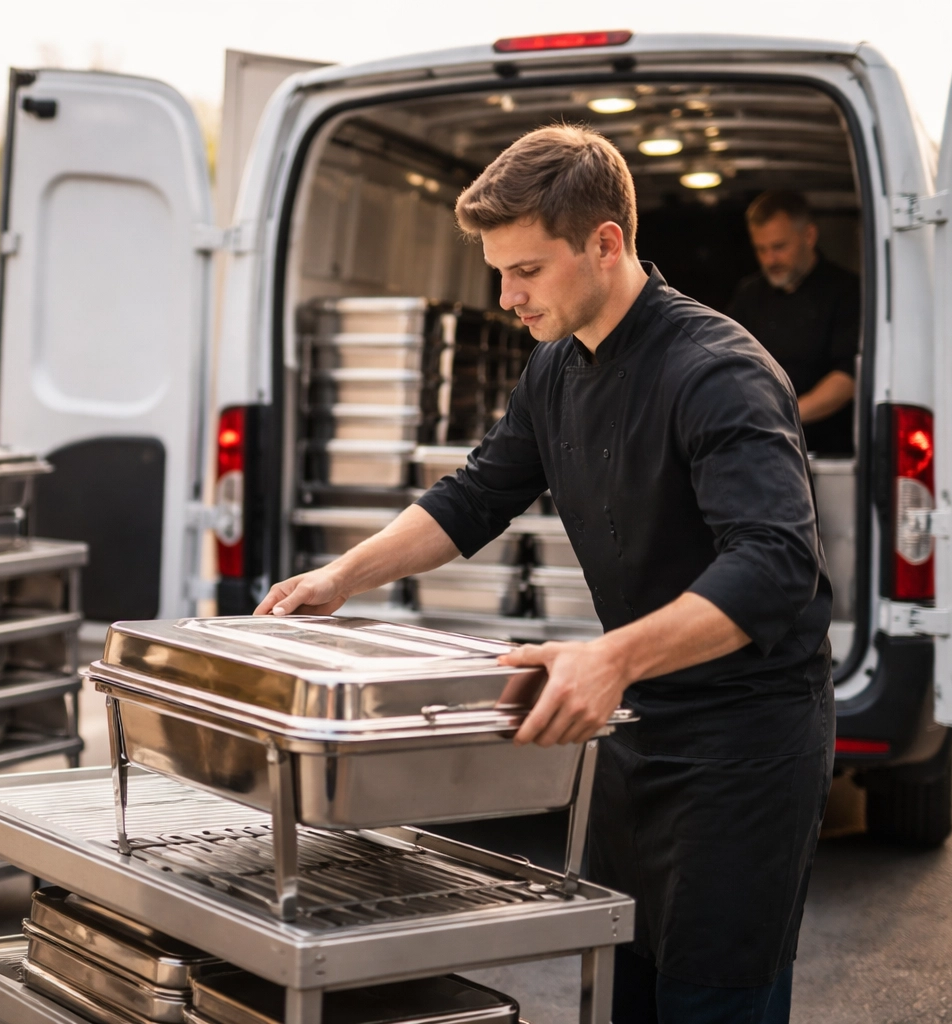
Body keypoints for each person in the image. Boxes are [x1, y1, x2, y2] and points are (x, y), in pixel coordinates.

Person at [257, 126, 832, 1023]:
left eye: (525, 269)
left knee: (713, 999)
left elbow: (775, 566)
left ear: (605, 243)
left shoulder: (719, 373)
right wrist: (341, 576)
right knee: (625, 988)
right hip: (634, 730)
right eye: (498, 269)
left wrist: (609, 659)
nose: (504, 294)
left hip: (743, 748)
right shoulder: (555, 368)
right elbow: (477, 494)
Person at [726, 190, 861, 456]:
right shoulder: (749, 293)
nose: (769, 260)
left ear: (809, 236)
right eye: (760, 250)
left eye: (778, 247)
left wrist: (782, 416)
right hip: (758, 445)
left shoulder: (846, 291)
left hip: (826, 450)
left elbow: (848, 378)